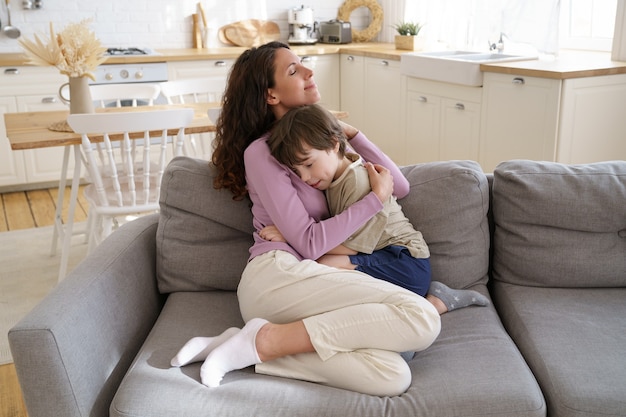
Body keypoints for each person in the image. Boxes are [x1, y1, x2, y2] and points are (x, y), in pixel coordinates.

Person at [170, 41, 487, 396]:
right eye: (293, 70)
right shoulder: (262, 152)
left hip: (311, 276)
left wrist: (350, 134)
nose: (308, 71)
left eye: (304, 63)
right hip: (280, 274)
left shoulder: (317, 142)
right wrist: (373, 200)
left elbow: (399, 185)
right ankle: (259, 341)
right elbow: (308, 243)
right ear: (270, 95)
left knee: (392, 375)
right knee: (422, 316)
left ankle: (251, 346)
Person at [268, 103, 434, 296]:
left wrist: (292, 238)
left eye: (309, 164)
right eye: (297, 171)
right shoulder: (334, 179)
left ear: (333, 143)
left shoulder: (356, 181)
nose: (304, 177)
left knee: (325, 264)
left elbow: (352, 247)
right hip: (383, 257)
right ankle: (431, 303)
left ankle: (431, 303)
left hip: (407, 264)